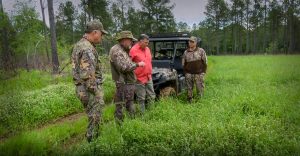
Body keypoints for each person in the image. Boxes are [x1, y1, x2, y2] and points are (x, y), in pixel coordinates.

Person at [71, 20, 107, 142]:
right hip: (88, 89)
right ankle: (93, 142)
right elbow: (87, 76)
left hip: (81, 88)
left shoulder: (79, 44)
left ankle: (92, 139)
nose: (101, 37)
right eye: (101, 34)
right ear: (95, 32)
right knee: (95, 116)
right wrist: (97, 93)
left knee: (93, 115)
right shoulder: (87, 49)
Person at [109, 31, 145, 124]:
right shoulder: (117, 50)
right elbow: (123, 67)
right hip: (123, 84)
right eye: (130, 40)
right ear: (124, 40)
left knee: (129, 104)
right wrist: (138, 64)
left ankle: (130, 124)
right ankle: (121, 126)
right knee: (121, 106)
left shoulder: (124, 50)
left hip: (128, 83)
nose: (131, 43)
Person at [129, 34, 155, 113]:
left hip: (148, 76)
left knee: (152, 95)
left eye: (148, 43)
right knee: (141, 98)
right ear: (140, 41)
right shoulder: (133, 50)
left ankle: (152, 112)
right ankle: (142, 114)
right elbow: (129, 63)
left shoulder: (147, 49)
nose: (147, 44)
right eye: (146, 43)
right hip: (139, 78)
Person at [182, 36, 207, 103]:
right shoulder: (186, 52)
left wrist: (203, 72)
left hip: (199, 74)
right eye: (189, 41)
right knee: (189, 89)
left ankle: (200, 102)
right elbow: (183, 64)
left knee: (200, 89)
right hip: (189, 74)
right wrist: (186, 73)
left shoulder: (201, 51)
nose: (190, 43)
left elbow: (205, 62)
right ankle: (190, 101)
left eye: (192, 42)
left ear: (196, 43)